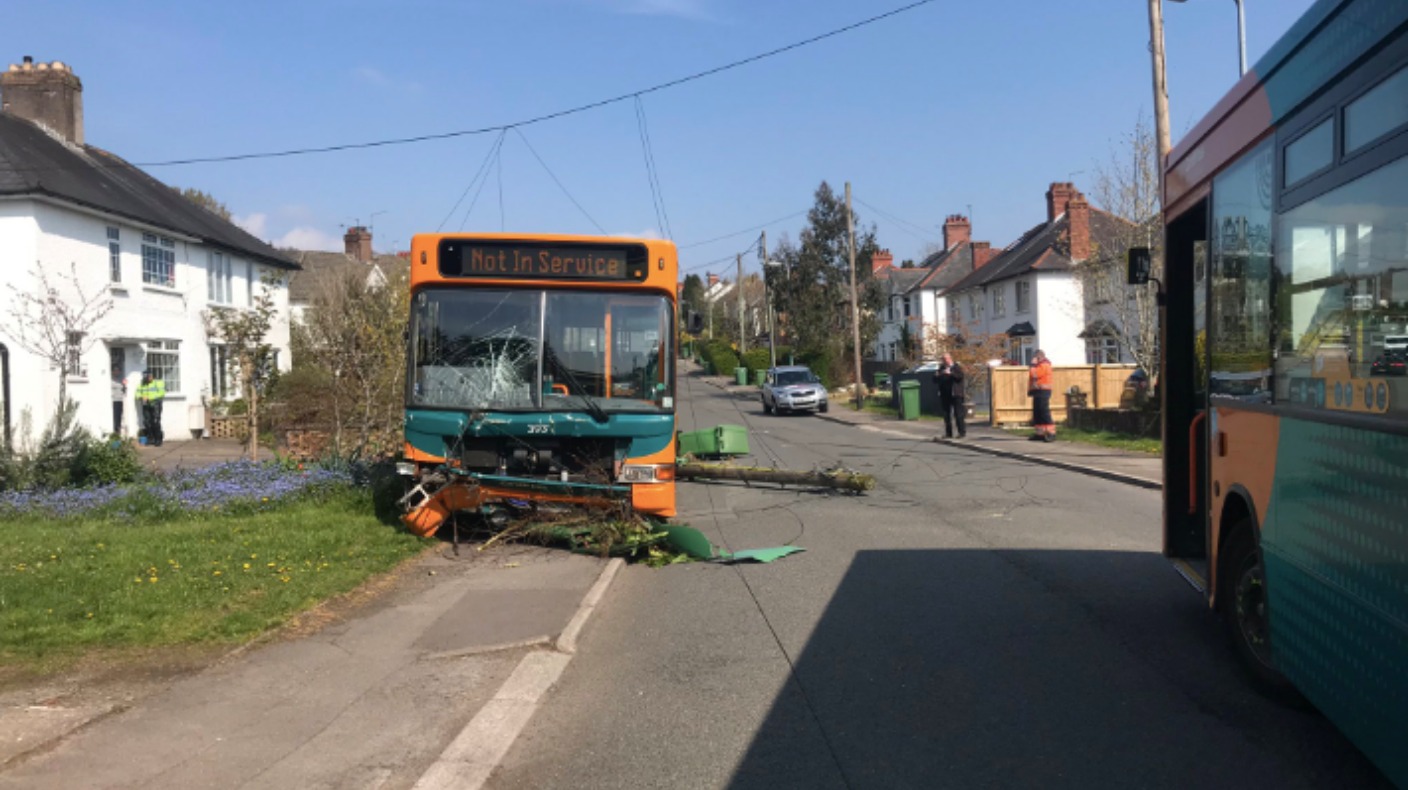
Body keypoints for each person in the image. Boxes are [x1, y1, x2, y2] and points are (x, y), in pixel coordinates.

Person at [934, 352, 966, 439]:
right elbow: (935, 380)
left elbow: (960, 377)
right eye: (943, 360)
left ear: (949, 359)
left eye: (945, 359)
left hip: (956, 394)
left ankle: (961, 432)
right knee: (946, 414)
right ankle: (949, 433)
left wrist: (951, 374)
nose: (944, 361)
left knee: (958, 414)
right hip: (945, 394)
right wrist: (938, 375)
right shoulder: (941, 368)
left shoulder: (956, 367)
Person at [1028, 350, 1056, 442]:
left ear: (1039, 357)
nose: (1034, 359)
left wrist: (1032, 365)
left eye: (1036, 358)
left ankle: (1051, 433)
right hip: (1038, 390)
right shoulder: (1040, 365)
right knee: (1037, 412)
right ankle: (1040, 433)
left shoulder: (1044, 365)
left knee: (1044, 412)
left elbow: (1035, 375)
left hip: (1043, 391)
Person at [137, 370, 166, 447]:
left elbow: (161, 393)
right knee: (147, 422)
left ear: (151, 376)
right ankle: (151, 438)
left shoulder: (158, 383)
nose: (147, 379)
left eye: (148, 377)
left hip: (156, 404)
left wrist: (149, 398)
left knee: (155, 421)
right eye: (145, 378)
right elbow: (137, 393)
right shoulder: (142, 384)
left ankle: (158, 439)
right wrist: (141, 397)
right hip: (146, 404)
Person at [111, 368, 126, 436]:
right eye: (115, 370)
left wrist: (124, 385)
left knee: (119, 416)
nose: (117, 372)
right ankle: (115, 431)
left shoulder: (120, 379)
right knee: (115, 416)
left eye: (118, 371)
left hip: (120, 400)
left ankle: (118, 430)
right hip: (114, 400)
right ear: (113, 371)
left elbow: (124, 389)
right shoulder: (111, 379)